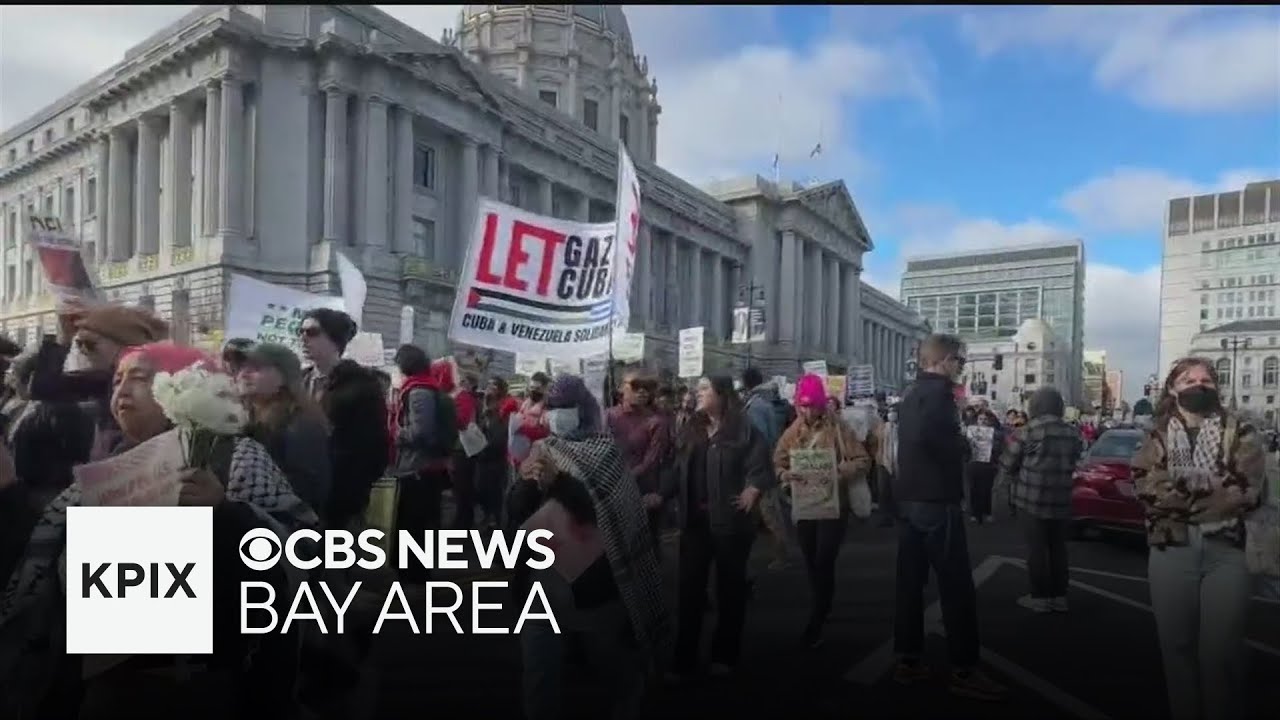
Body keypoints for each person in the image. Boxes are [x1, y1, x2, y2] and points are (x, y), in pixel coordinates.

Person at [0, 342, 315, 719]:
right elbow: (48, 567)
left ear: (184, 385)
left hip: (197, 686)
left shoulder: (236, 457)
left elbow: (299, 550)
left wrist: (226, 513)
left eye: (140, 378)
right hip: (107, 688)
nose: (122, 390)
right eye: (117, 380)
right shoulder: (106, 467)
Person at [508, 374, 669, 720]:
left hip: (594, 583)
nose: (559, 414)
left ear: (582, 409)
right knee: (539, 672)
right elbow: (517, 514)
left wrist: (560, 483)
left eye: (566, 407)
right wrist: (525, 484)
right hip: (542, 581)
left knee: (612, 664)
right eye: (553, 407)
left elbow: (604, 512)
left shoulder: (605, 453)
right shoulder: (540, 450)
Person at [1132, 357, 1265, 720]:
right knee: (1177, 648)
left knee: (1220, 653)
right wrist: (1207, 494)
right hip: (1171, 551)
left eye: (1206, 379)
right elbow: (1146, 487)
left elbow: (1246, 490)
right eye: (1188, 379)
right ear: (1173, 388)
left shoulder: (1242, 432)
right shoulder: (1155, 434)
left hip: (1229, 555)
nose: (1198, 384)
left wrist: (1179, 496)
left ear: (1216, 387)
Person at [892, 333, 1005, 700]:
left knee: (910, 586)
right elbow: (930, 436)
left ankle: (908, 659)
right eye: (960, 360)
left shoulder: (909, 394)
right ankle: (964, 669)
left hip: (908, 500)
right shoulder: (940, 394)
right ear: (943, 360)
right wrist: (959, 445)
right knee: (957, 588)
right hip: (936, 500)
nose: (962, 367)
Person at [663, 375, 775, 680]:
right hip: (694, 525)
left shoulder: (744, 429)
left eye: (703, 389)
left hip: (731, 524)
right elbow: (676, 469)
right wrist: (659, 494)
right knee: (689, 594)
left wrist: (753, 488)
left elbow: (760, 467)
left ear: (722, 395)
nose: (696, 394)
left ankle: (724, 655)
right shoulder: (691, 428)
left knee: (730, 592)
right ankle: (683, 660)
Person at [773, 373, 870, 648]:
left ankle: (817, 616)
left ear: (820, 402)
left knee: (824, 558)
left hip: (833, 505)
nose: (807, 410)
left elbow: (863, 459)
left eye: (811, 405)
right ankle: (823, 602)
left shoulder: (839, 427)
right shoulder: (793, 430)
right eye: (802, 405)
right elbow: (778, 460)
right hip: (805, 506)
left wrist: (842, 470)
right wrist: (784, 475)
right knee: (810, 559)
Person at [28, 302, 169, 460]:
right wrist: (64, 341)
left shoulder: (165, 383)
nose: (83, 352)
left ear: (125, 346)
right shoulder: (100, 379)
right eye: (78, 345)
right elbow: (44, 392)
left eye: (89, 345)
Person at [298, 307, 388, 530]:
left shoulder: (362, 386)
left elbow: (374, 450)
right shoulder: (298, 381)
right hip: (298, 493)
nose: (302, 338)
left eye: (312, 332)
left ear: (334, 338)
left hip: (338, 501)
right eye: (299, 331)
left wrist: (350, 494)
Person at [997, 387, 1082, 613]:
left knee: (1037, 550)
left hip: (1031, 501)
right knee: (1058, 549)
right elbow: (1077, 461)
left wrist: (1004, 486)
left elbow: (1008, 462)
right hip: (1061, 499)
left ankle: (1040, 596)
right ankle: (1059, 595)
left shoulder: (1028, 431)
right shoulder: (1073, 433)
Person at [238, 342, 333, 514]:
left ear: (284, 378)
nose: (244, 374)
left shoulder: (300, 425)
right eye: (242, 367)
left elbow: (307, 493)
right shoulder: (240, 417)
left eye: (257, 368)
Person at [389, 344, 456, 581]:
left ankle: (414, 573)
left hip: (419, 467)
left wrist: (396, 433)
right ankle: (414, 570)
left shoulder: (418, 392)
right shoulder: (424, 387)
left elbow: (421, 431)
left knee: (414, 521)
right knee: (419, 519)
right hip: (425, 466)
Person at [606, 370, 671, 549]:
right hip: (611, 490)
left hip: (644, 491)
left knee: (646, 548)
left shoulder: (656, 421)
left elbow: (652, 461)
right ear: (621, 388)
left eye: (647, 388)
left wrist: (624, 479)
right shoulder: (608, 417)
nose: (642, 392)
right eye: (635, 386)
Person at [430, 359, 479, 529]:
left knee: (463, 488)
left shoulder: (461, 395)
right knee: (458, 488)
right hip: (455, 447)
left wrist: (444, 419)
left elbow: (462, 420)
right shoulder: (453, 395)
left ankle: (464, 523)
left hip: (462, 448)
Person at [475, 376, 519, 530]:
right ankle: (487, 515)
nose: (489, 389)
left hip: (496, 455)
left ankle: (496, 521)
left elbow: (503, 433)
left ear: (501, 389)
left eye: (493, 386)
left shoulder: (506, 406)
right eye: (488, 386)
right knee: (481, 488)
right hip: (482, 453)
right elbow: (481, 426)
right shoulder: (485, 405)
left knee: (495, 491)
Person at [965, 409, 1003, 524]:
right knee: (974, 488)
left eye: (985, 419)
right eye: (980, 419)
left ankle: (987, 512)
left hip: (988, 463)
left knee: (986, 489)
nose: (983, 421)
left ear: (990, 420)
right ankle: (975, 513)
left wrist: (993, 442)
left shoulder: (995, 433)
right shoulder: (970, 431)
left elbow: (999, 447)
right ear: (977, 420)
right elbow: (965, 446)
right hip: (973, 462)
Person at [867, 404, 900, 528]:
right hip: (883, 462)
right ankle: (885, 517)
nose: (892, 414)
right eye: (890, 412)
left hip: (899, 462)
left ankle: (898, 514)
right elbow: (873, 442)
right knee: (883, 491)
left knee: (897, 490)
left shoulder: (903, 428)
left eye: (894, 412)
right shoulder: (881, 427)